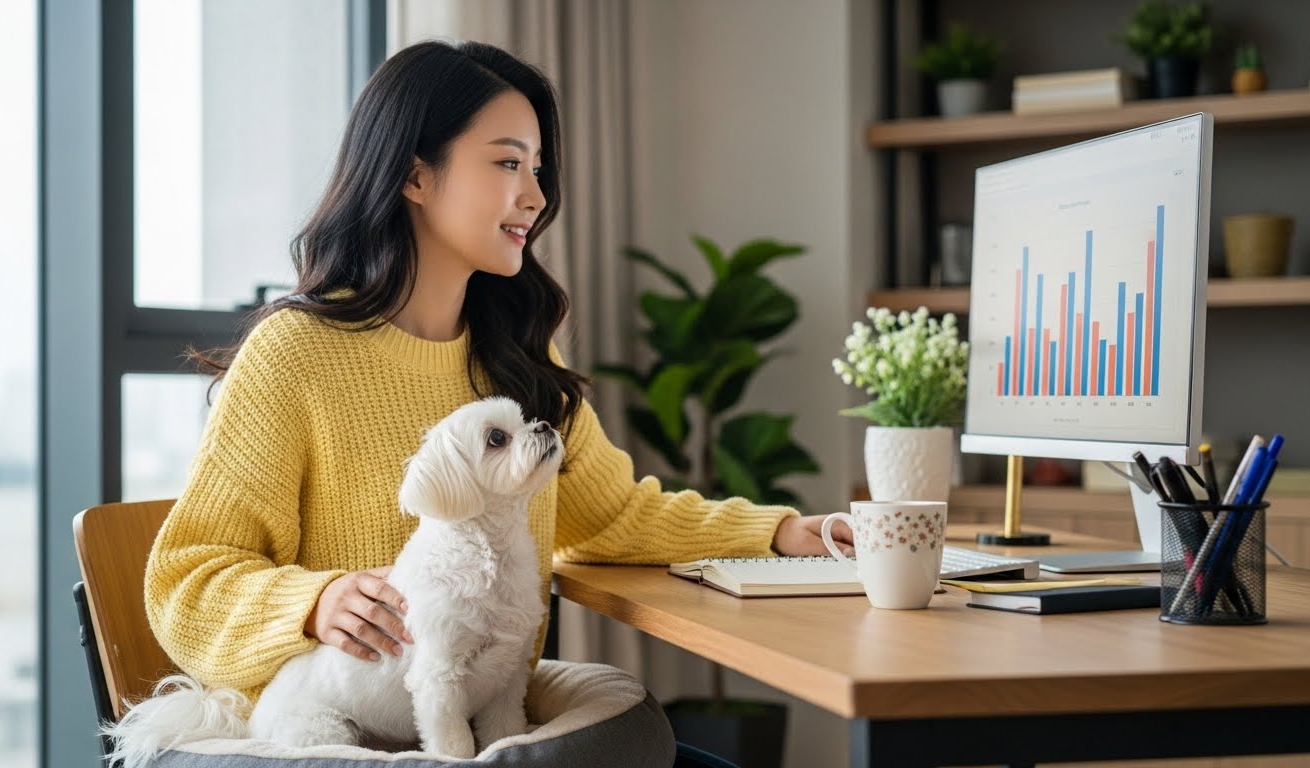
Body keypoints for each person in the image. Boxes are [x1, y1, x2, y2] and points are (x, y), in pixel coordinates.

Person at [144, 38, 853, 763]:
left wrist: (781, 534)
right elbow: (188, 578)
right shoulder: (296, 353)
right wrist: (314, 604)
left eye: (537, 169)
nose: (537, 197)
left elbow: (613, 515)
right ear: (416, 175)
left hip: (486, 732)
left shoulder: (518, 354)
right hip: (340, 739)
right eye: (508, 162)